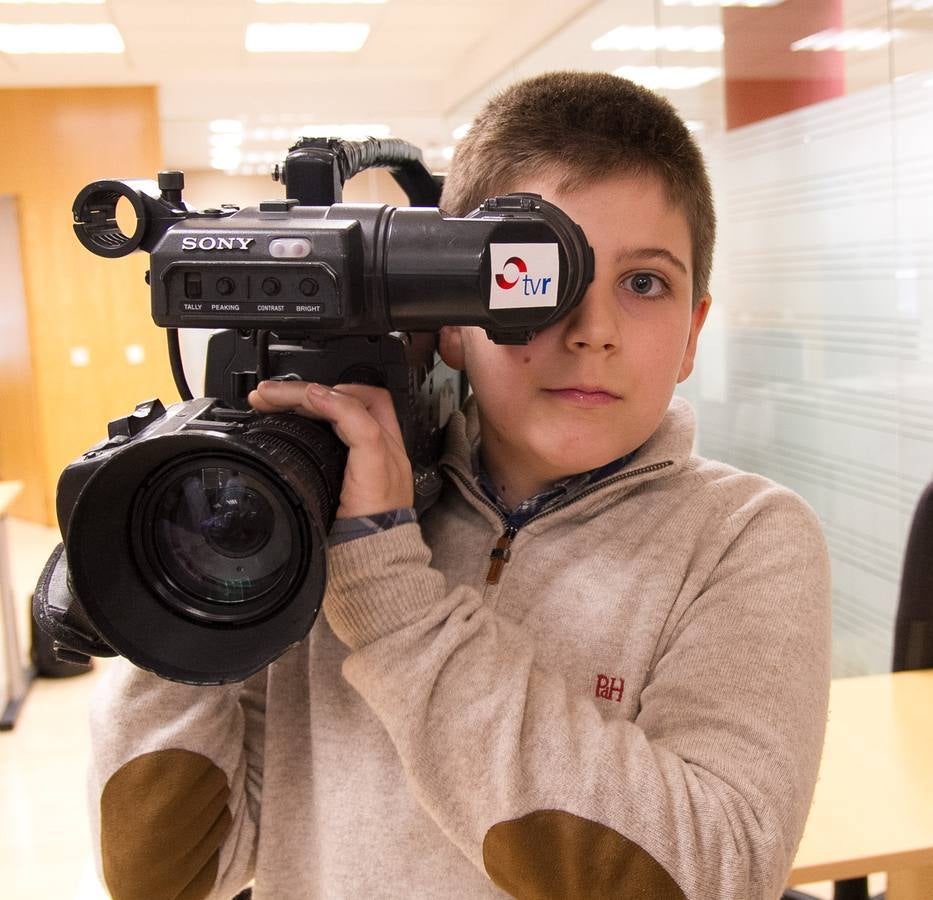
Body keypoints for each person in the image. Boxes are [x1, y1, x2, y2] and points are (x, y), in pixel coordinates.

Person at [88, 71, 831, 900]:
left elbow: (712, 875)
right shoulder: (313, 512)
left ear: (692, 334)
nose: (592, 332)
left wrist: (390, 592)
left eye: (644, 282)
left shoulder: (744, 538)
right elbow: (167, 873)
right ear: (448, 318)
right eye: (532, 275)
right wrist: (177, 573)